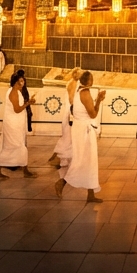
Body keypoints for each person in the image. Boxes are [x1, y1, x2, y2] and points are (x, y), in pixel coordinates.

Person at [56, 70, 105, 202]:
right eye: (91, 78)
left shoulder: (79, 91)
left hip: (79, 129)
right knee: (82, 161)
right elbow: (93, 114)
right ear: (88, 81)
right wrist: (99, 100)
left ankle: (91, 194)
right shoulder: (85, 93)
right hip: (84, 131)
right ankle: (62, 182)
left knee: (89, 162)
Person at [0, 72, 37, 179]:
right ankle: (24, 170)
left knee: (15, 146)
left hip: (16, 124)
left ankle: (24, 169)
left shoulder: (16, 91)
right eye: (20, 82)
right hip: (13, 125)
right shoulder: (13, 92)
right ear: (15, 82)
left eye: (23, 81)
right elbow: (17, 109)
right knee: (15, 146)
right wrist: (28, 103)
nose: (22, 83)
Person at [48, 67, 81, 169]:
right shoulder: (72, 83)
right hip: (71, 112)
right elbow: (71, 99)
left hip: (70, 111)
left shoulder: (74, 82)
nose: (80, 75)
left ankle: (63, 158)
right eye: (79, 73)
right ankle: (61, 158)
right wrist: (74, 112)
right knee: (68, 136)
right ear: (74, 74)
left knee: (69, 136)